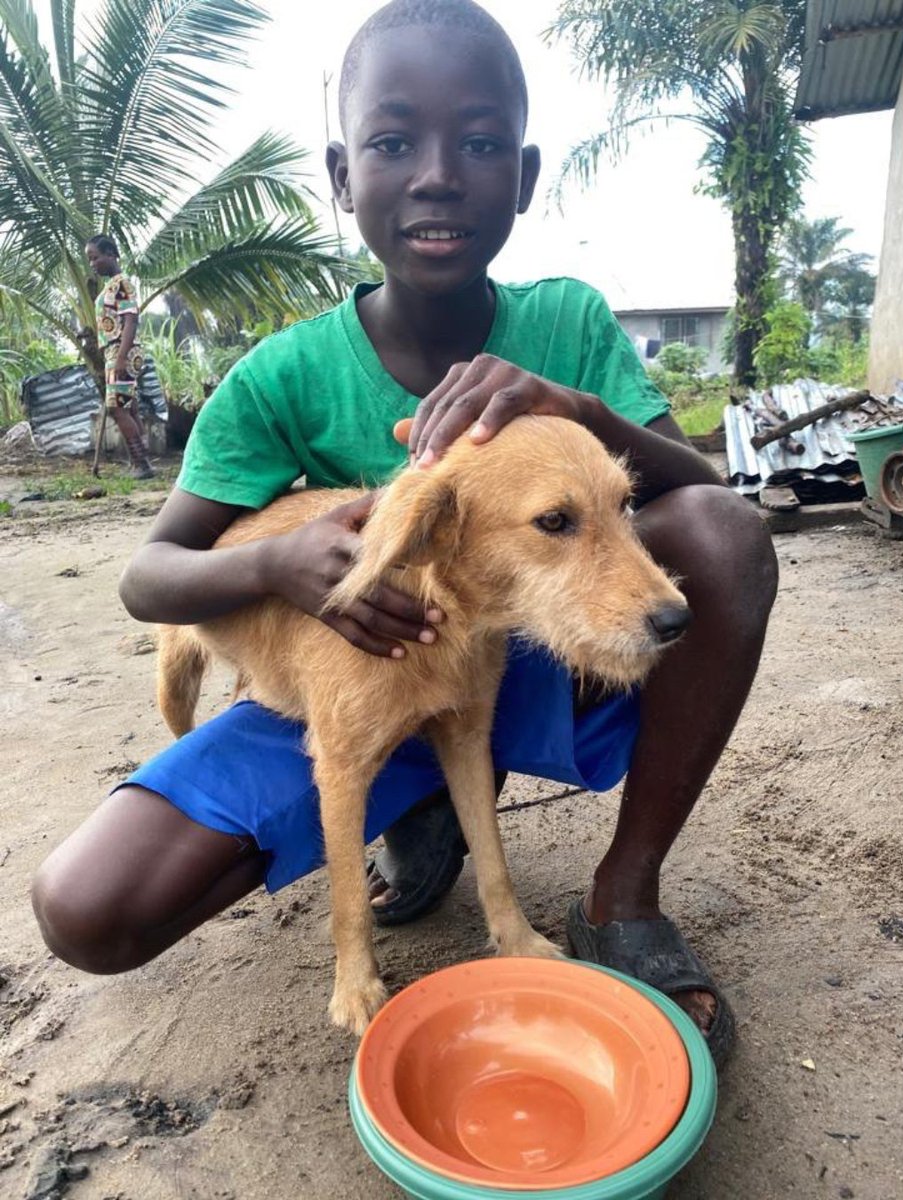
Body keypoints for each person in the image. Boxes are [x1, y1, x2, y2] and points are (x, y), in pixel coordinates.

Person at [33, 0, 778, 1067]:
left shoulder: (567, 319)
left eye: (478, 144)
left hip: (498, 649)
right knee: (89, 909)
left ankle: (623, 897)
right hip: (347, 665)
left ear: (520, 177)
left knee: (720, 533)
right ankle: (409, 798)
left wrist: (578, 409)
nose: (437, 174)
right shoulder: (280, 373)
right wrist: (282, 565)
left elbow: (703, 498)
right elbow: (148, 578)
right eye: (393, 143)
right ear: (343, 175)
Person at [85, 234, 155, 479]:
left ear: (111, 254)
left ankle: (142, 464)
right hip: (115, 350)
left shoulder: (122, 284)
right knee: (129, 407)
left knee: (116, 408)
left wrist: (122, 357)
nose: (92, 264)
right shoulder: (111, 285)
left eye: (95, 257)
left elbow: (131, 319)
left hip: (122, 349)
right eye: (89, 259)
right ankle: (139, 462)